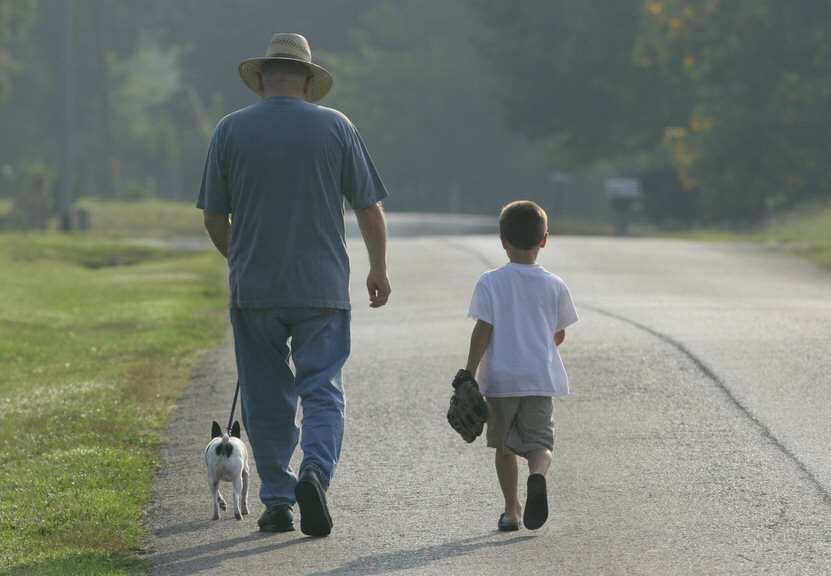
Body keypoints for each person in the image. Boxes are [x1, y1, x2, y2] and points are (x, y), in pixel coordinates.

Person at [197, 33, 390, 537]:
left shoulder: (230, 131)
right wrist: (378, 267)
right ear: (308, 80)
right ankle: (315, 474)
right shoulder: (336, 127)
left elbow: (215, 216)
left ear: (261, 78)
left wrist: (239, 256)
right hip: (321, 286)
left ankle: (278, 500)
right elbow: (368, 207)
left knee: (264, 397)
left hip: (256, 288)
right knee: (322, 389)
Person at [464, 200, 578, 531]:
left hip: (502, 379)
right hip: (540, 377)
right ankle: (538, 476)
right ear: (544, 240)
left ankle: (512, 511)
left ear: (502, 240)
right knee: (540, 443)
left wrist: (468, 372)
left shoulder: (490, 282)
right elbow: (558, 335)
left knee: (504, 447)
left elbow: (483, 330)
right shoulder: (555, 285)